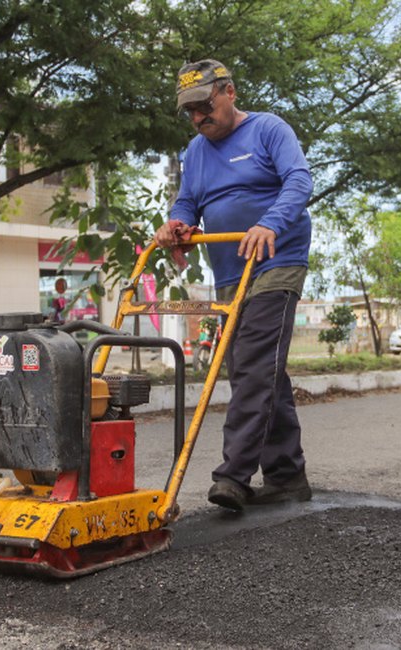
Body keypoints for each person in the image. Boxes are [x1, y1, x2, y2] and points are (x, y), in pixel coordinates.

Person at [155, 59, 313, 511]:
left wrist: (270, 223)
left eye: (204, 105)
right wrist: (177, 224)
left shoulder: (268, 129)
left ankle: (233, 476)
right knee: (263, 371)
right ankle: (287, 476)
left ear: (229, 92)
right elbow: (188, 201)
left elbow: (299, 180)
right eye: (190, 111)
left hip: (276, 261)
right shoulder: (195, 151)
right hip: (229, 272)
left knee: (252, 365)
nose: (198, 117)